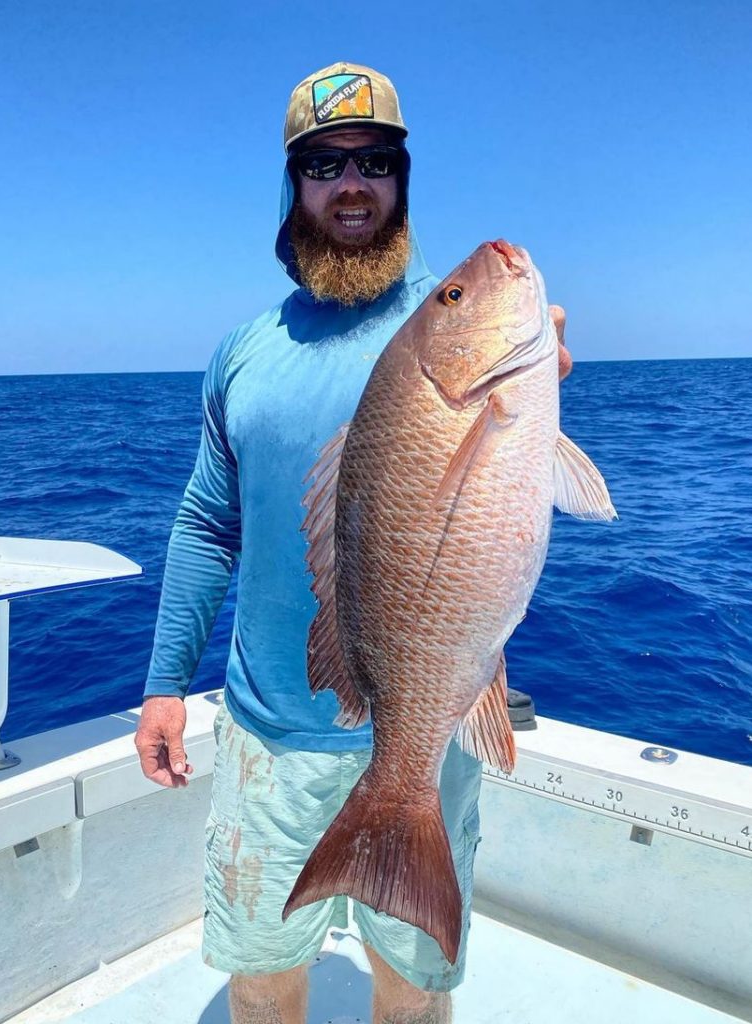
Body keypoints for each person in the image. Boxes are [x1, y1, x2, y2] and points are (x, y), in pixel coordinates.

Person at [135, 62, 572, 1024]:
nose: (350, 185)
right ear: (292, 187)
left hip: (430, 726)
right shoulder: (242, 354)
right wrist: (166, 680)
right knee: (261, 976)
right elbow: (207, 522)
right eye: (323, 165)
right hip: (268, 736)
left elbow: (522, 499)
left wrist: (539, 389)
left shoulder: (463, 339)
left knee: (413, 988)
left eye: (375, 160)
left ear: (402, 179)